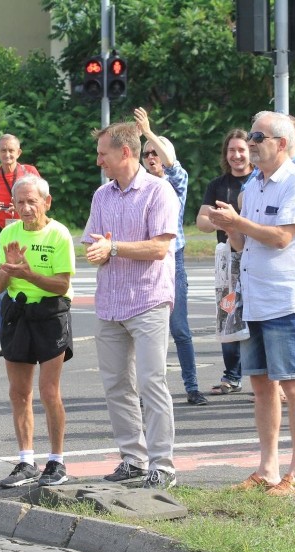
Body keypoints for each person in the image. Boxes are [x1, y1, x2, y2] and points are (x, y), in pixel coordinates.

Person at [208, 111, 295, 495]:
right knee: (260, 384)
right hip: (253, 298)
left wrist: (238, 224)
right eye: (251, 135)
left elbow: (281, 238)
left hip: (286, 298)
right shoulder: (252, 186)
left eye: (259, 136)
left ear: (282, 143)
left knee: (293, 383)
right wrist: (230, 228)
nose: (251, 142)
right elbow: (244, 244)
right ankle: (268, 469)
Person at [82, 120, 180, 489]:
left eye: (102, 153)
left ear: (125, 152)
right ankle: (133, 459)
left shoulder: (159, 192)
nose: (98, 161)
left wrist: (114, 247)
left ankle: (163, 464)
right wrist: (97, 252)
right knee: (116, 385)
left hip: (148, 299)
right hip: (110, 302)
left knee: (152, 382)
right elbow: (93, 240)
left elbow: (159, 248)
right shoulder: (102, 196)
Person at [0, 174, 75, 487]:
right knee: (18, 392)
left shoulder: (59, 235)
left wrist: (29, 272)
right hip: (17, 312)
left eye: (32, 202)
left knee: (49, 390)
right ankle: (26, 460)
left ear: (46, 202)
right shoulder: (9, 234)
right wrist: (8, 270)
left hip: (51, 313)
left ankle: (57, 461)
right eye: (20, 202)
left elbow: (62, 284)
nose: (26, 208)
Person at [134, 107, 206, 407]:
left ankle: (192, 386)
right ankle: (145, 391)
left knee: (179, 327)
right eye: (147, 153)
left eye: (156, 152)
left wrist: (149, 132)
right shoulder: (137, 185)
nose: (152, 157)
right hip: (145, 262)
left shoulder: (175, 181)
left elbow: (173, 164)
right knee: (146, 330)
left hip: (172, 261)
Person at [197, 129, 253, 395]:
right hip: (227, 261)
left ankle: (262, 377)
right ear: (225, 154)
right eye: (232, 150)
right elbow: (201, 221)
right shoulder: (218, 185)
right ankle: (232, 375)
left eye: (241, 149)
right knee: (228, 314)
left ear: (251, 152)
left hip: (255, 257)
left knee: (257, 317)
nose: (237, 155)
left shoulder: (259, 181)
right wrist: (220, 221)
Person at [0, 134, 40, 339]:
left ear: (18, 152)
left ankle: (32, 334)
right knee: (1, 288)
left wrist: (23, 206)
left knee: (31, 284)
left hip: (28, 237)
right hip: (0, 240)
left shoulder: (29, 172)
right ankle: (7, 338)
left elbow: (43, 201)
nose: (7, 154)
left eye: (11, 150)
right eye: (3, 150)